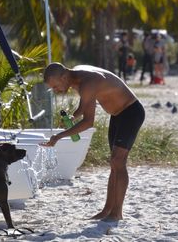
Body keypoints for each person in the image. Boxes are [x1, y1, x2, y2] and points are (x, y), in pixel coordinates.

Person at [41, 62, 145, 221]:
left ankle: (117, 213)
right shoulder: (77, 78)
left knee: (118, 161)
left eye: (55, 86)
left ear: (63, 77)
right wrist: (73, 116)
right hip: (117, 116)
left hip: (131, 112)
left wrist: (58, 137)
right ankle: (107, 210)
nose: (55, 91)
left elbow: (88, 122)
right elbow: (84, 107)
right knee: (114, 163)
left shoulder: (87, 83)